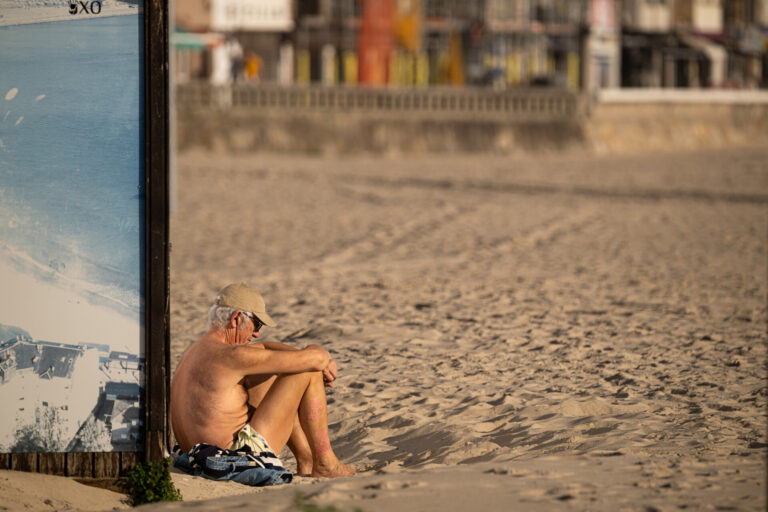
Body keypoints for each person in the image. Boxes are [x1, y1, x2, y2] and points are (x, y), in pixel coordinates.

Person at [171, 283, 355, 478]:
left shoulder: (196, 351)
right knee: (307, 370)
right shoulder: (234, 357)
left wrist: (308, 356)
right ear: (236, 318)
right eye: (256, 324)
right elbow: (315, 360)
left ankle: (306, 459)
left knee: (269, 371)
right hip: (230, 457)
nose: (257, 333)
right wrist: (318, 352)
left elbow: (265, 347)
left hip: (196, 456)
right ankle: (326, 463)